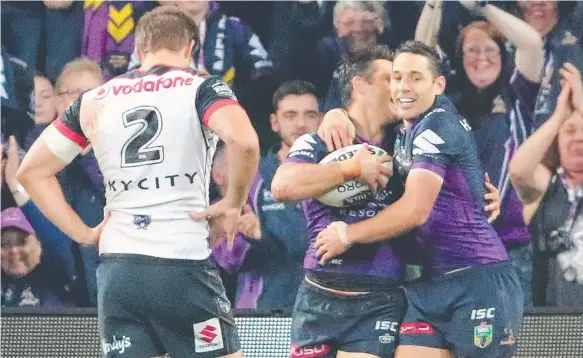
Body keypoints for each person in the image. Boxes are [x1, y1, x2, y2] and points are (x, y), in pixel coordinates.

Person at [16, 6, 259, 358]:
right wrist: (234, 202)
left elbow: (31, 171)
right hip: (181, 263)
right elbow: (246, 141)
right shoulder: (201, 87)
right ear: (191, 48)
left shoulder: (95, 98)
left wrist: (84, 233)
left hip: (119, 270)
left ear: (139, 51)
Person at [315, 41, 520, 358]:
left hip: (477, 280)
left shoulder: (436, 124)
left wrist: (348, 234)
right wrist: (335, 112)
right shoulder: (407, 124)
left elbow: (415, 211)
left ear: (438, 85)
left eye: (415, 78)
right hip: (429, 284)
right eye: (396, 77)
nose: (402, 87)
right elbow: (366, 109)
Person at [271, 45, 406, 358]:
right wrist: (353, 168)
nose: (399, 88)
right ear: (360, 85)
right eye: (390, 79)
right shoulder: (318, 140)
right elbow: (283, 186)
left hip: (380, 296)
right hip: (320, 291)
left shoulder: (406, 141)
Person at [509, 62, 583, 308]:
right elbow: (518, 171)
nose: (578, 139)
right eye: (570, 131)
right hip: (553, 321)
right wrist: (559, 117)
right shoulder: (546, 182)